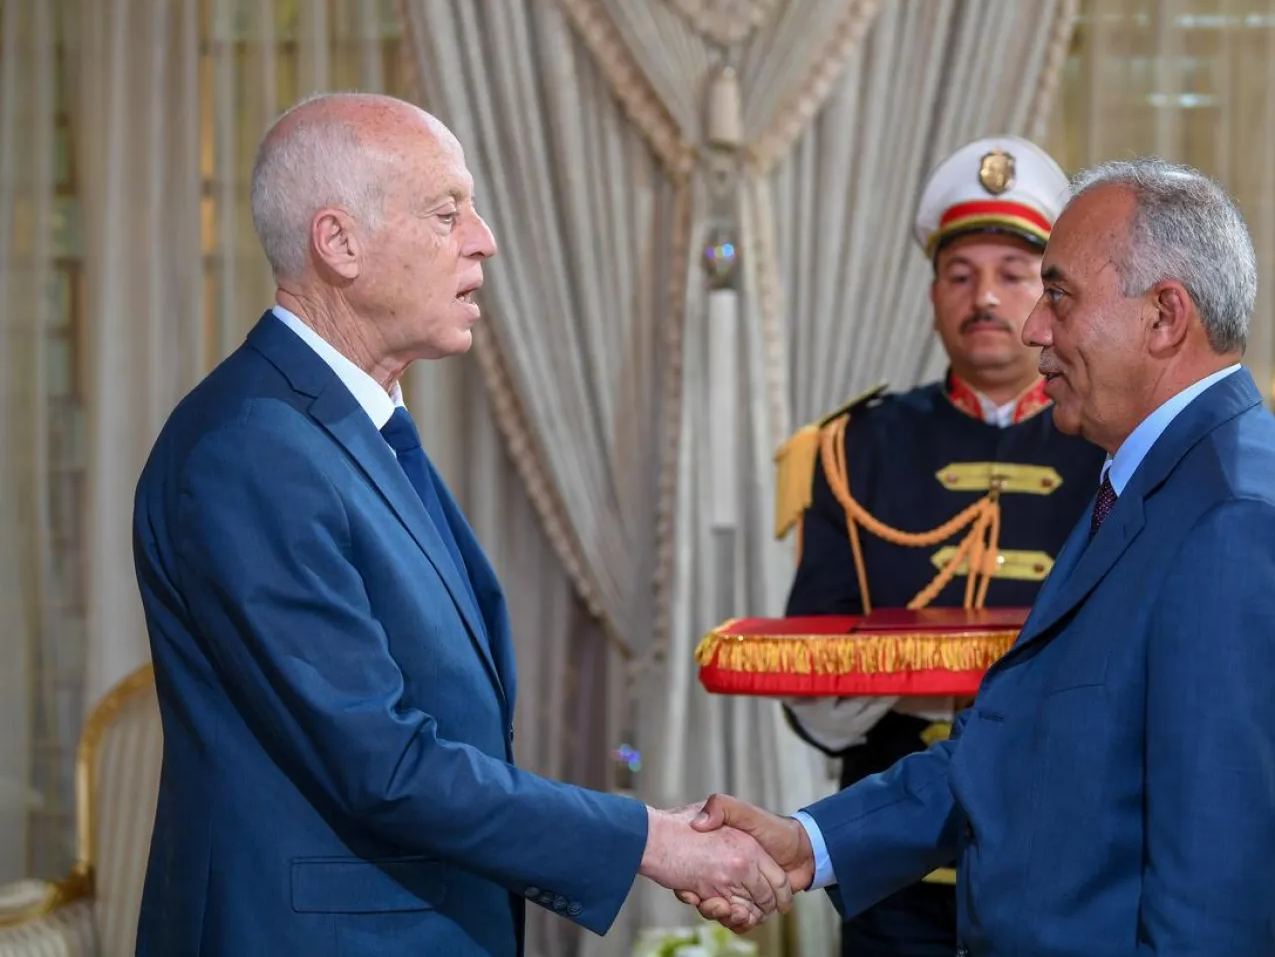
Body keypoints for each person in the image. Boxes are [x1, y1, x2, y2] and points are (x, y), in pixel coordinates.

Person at [130, 93, 789, 957]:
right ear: (339, 244)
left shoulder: (343, 425)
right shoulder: (253, 447)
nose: (484, 238)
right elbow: (384, 764)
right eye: (448, 212)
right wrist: (651, 841)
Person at [685, 157, 1275, 955]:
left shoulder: (1238, 525)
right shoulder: (1153, 480)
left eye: (1059, 294)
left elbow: (1221, 914)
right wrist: (811, 843)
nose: (1033, 324)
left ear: (1164, 317)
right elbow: (1021, 739)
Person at [773, 136, 1105, 956]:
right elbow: (809, 652)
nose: (984, 297)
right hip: (890, 878)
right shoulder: (855, 446)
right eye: (960, 275)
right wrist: (891, 684)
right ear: (931, 296)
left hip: (1069, 867)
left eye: (1013, 274)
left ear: (1052, 297)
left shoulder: (1113, 448)